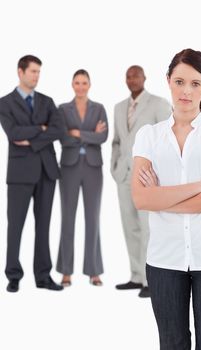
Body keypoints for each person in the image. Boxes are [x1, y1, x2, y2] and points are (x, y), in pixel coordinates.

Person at [131, 48, 201, 349]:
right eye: (179, 82)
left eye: (195, 83)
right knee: (172, 343)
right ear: (168, 81)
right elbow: (140, 199)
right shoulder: (148, 136)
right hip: (164, 259)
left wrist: (161, 197)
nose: (186, 91)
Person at [0, 55, 64, 292]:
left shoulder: (47, 101)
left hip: (47, 172)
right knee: (15, 225)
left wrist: (32, 138)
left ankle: (43, 276)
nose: (36, 76)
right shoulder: (4, 103)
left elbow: (58, 130)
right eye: (33, 72)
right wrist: (41, 129)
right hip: (19, 174)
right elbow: (14, 133)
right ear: (20, 72)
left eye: (39, 72)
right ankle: (13, 275)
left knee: (44, 226)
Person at [111, 65, 171, 298]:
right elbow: (116, 141)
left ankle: (150, 279)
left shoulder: (158, 104)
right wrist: (115, 167)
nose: (132, 78)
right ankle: (136, 276)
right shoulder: (118, 108)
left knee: (149, 228)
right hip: (124, 176)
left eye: (136, 74)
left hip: (148, 176)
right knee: (130, 226)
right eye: (128, 75)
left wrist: (160, 172)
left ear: (144, 78)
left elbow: (169, 137)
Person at [56, 69, 108, 287]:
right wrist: (89, 136)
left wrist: (77, 133)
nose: (80, 86)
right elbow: (62, 137)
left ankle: (93, 271)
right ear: (72, 85)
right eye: (76, 82)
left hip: (93, 168)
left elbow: (103, 136)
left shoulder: (99, 109)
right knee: (67, 219)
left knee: (93, 219)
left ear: (89, 85)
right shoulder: (62, 109)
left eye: (84, 82)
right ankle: (66, 271)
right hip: (69, 167)